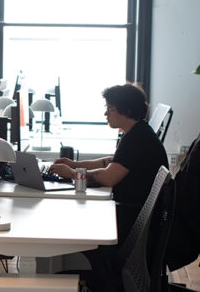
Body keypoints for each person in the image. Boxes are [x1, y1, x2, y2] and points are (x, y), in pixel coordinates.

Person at [49, 83, 168, 241]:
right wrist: (74, 164)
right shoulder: (139, 132)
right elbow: (111, 162)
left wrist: (71, 173)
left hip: (130, 221)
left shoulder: (136, 139)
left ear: (127, 110)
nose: (106, 113)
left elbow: (108, 177)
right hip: (134, 214)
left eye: (110, 108)